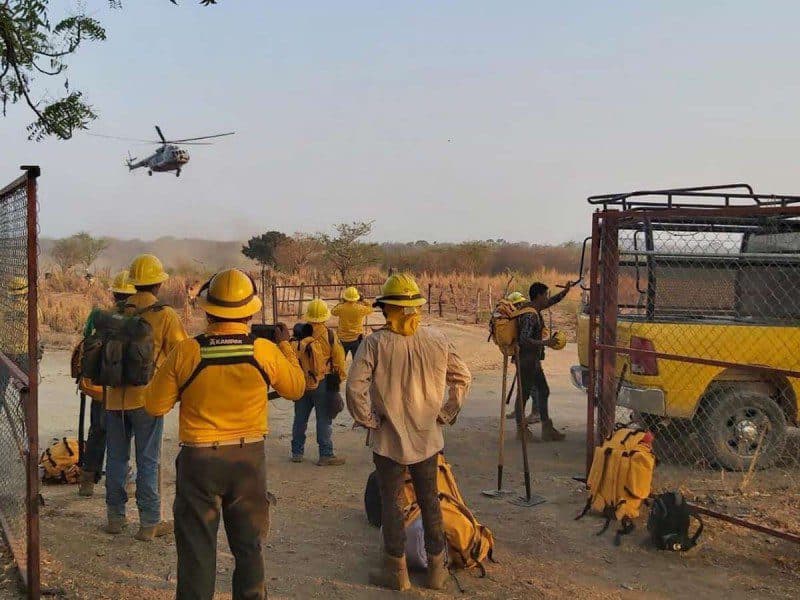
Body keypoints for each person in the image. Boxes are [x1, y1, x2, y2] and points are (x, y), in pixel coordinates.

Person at [145, 268, 305, 600]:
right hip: (248, 461)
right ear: (250, 311)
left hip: (199, 460)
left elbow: (154, 406)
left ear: (208, 309)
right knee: (249, 546)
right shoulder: (262, 351)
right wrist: (286, 347)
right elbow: (296, 388)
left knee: (197, 550)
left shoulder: (188, 352)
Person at [346, 273, 471, 591]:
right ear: (416, 308)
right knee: (430, 500)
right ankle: (436, 572)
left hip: (388, 440)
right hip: (428, 438)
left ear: (388, 309)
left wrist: (369, 419)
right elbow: (462, 377)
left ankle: (396, 572)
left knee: (392, 502)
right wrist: (445, 413)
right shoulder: (437, 339)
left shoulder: (374, 343)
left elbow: (354, 387)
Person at [104, 254, 188, 540]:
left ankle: (115, 518)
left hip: (113, 399)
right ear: (157, 285)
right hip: (147, 399)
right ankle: (149, 522)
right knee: (148, 460)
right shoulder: (165, 315)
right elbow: (182, 354)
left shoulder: (116, 313)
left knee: (116, 459)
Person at [78, 271, 137, 497]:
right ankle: (122, 479)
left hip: (101, 384)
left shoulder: (99, 316)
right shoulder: (136, 321)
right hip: (126, 386)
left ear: (113, 294)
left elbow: (86, 337)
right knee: (121, 434)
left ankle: (87, 480)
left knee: (98, 429)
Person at [290, 298, 348, 465]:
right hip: (322, 382)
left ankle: (297, 452)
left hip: (302, 382)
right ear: (325, 317)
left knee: (300, 418)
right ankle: (325, 454)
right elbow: (339, 361)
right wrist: (338, 381)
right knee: (324, 419)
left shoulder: (299, 334)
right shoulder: (329, 335)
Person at [516, 281, 573, 442]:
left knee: (543, 391)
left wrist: (565, 292)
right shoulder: (530, 315)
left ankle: (546, 429)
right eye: (545, 295)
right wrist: (545, 343)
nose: (547, 298)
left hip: (532, 361)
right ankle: (522, 431)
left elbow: (551, 302)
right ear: (539, 296)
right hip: (527, 361)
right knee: (523, 395)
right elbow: (524, 339)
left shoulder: (533, 308)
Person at [331, 286, 373, 358]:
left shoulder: (341, 308)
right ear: (357, 297)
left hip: (342, 339)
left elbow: (333, 311)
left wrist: (341, 302)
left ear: (345, 297)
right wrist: (363, 300)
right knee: (357, 362)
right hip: (356, 339)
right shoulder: (360, 308)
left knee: (341, 361)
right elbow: (370, 308)